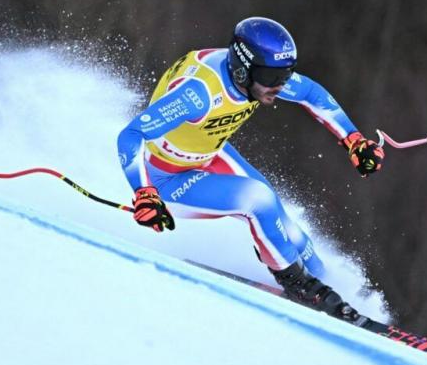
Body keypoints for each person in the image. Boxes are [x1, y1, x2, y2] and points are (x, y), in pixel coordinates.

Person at [117, 17, 384, 323]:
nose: (280, 85)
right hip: (165, 180)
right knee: (258, 201)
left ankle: (333, 290)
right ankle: (296, 283)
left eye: (285, 74)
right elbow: (131, 134)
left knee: (289, 229)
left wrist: (353, 139)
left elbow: (311, 94)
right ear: (244, 69)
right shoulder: (198, 95)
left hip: (208, 155)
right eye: (273, 77)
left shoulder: (256, 77)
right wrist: (144, 192)